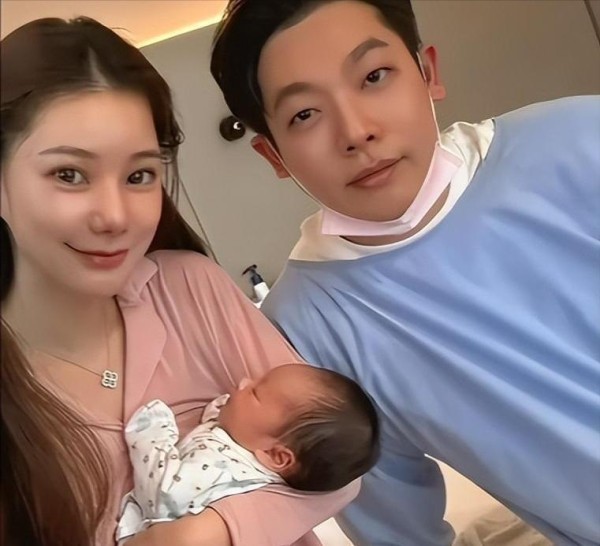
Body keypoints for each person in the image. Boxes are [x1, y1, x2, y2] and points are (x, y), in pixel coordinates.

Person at [210, 1, 600, 545]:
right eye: (305, 114)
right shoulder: (306, 333)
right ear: (273, 154)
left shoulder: (580, 140)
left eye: (374, 77)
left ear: (428, 72)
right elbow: (398, 533)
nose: (356, 132)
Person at [0, 16, 359, 546]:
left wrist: (205, 531)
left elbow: (336, 461)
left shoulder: (188, 289)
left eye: (139, 175)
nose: (115, 216)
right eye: (69, 174)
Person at [117, 363, 379, 542]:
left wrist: (152, 432)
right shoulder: (250, 446)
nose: (243, 382)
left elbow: (163, 494)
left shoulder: (223, 469)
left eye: (255, 393)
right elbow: (220, 428)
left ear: (277, 456)